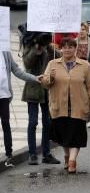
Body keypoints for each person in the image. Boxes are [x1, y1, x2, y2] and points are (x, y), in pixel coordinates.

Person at [41, 37, 90, 174]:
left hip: (79, 106)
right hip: (59, 106)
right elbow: (45, 84)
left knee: (76, 136)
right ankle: (67, 156)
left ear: (75, 48)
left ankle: (72, 161)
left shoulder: (85, 65)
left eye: (70, 47)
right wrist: (50, 78)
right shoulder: (53, 64)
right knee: (64, 136)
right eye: (64, 47)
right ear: (60, 49)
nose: (67, 49)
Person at [21, 33, 60, 165]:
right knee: (32, 122)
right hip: (33, 89)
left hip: (46, 89)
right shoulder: (29, 45)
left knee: (47, 122)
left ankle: (46, 154)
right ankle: (32, 155)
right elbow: (27, 64)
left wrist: (48, 47)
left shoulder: (48, 48)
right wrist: (36, 49)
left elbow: (58, 57)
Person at [1, 49, 41, 168]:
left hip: (4, 95)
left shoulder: (5, 53)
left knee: (5, 123)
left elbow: (17, 71)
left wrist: (34, 78)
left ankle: (9, 155)